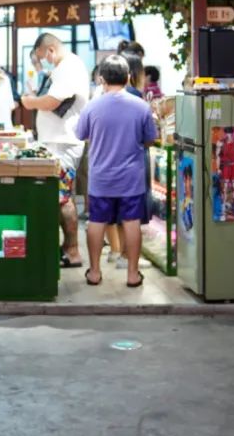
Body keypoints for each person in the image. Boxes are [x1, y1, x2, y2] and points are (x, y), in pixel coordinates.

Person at [75, 56, 157, 287]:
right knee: (131, 222)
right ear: (128, 77)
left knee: (96, 221)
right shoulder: (141, 106)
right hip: (131, 178)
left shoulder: (92, 106)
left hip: (101, 178)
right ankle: (132, 274)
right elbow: (150, 140)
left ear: (101, 79)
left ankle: (94, 272)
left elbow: (81, 135)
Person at [21, 33, 90, 267]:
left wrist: (30, 102)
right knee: (59, 195)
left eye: (43, 57)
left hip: (64, 143)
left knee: (62, 197)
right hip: (56, 141)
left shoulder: (69, 66)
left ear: (51, 50)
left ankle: (73, 251)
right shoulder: (64, 67)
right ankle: (66, 247)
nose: (45, 62)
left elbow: (52, 101)